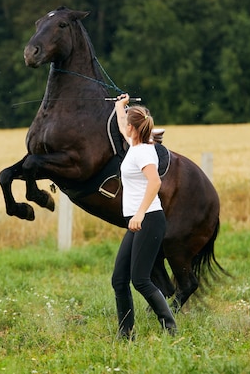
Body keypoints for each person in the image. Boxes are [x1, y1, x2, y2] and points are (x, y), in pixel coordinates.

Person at [111, 93, 177, 340]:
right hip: (139, 221)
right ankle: (126, 334)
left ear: (133, 127)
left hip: (148, 218)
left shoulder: (143, 152)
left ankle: (171, 329)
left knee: (140, 279)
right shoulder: (134, 145)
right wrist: (120, 106)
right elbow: (121, 126)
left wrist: (139, 213)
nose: (124, 127)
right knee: (119, 279)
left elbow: (155, 182)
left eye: (127, 123)